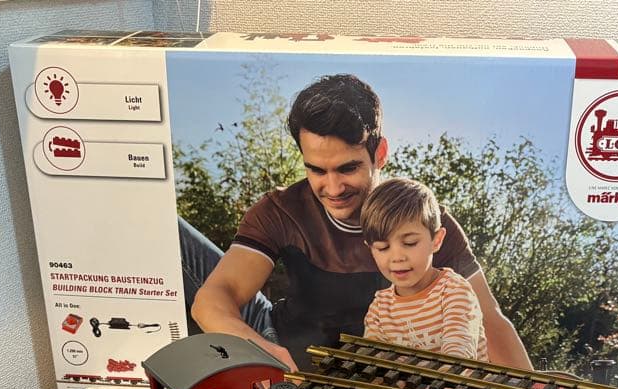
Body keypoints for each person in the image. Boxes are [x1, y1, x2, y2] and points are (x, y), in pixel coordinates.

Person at [188, 73, 531, 372]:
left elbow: (489, 319)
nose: (333, 188)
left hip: (361, 373)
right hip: (275, 341)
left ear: (379, 154)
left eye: (348, 168)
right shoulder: (280, 209)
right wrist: (259, 352)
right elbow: (212, 299)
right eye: (316, 170)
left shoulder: (424, 220)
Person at [361, 178, 488, 361]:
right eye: (382, 247)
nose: (397, 257)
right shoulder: (379, 309)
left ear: (436, 240)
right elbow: (372, 362)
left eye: (410, 243)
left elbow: (458, 357)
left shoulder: (454, 291)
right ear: (371, 249)